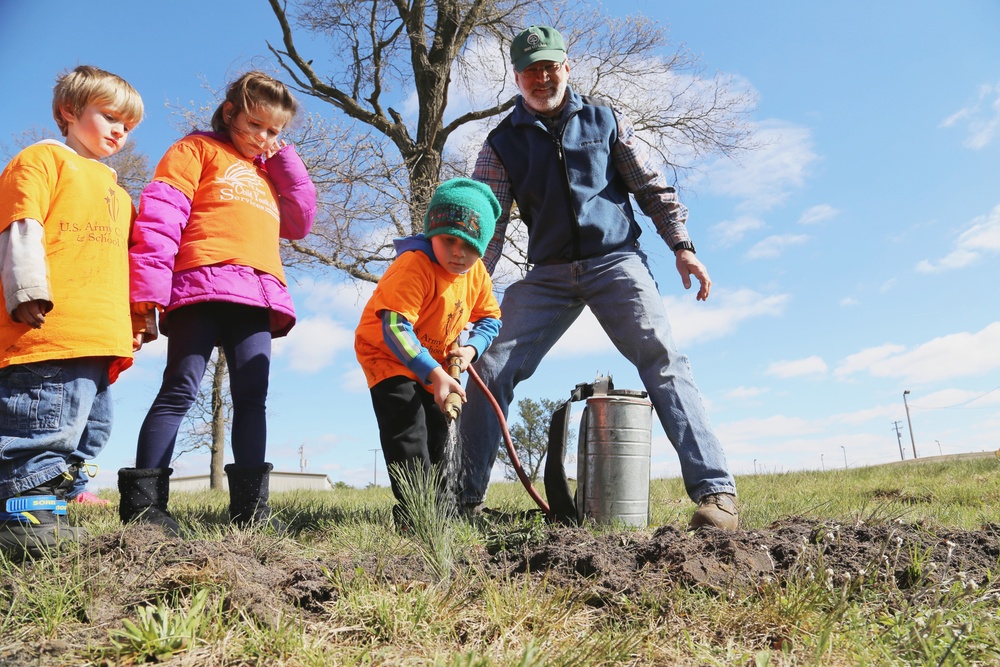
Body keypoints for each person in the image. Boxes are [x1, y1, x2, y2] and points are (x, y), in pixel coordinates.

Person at [460, 25, 739, 530]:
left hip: (616, 261)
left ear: (566, 67)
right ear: (517, 77)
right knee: (489, 365)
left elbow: (651, 187)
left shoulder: (605, 120)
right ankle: (461, 503)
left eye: (550, 67)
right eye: (530, 71)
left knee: (661, 357)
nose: (541, 78)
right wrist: (464, 291)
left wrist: (682, 247)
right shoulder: (501, 143)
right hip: (546, 274)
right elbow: (486, 221)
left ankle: (716, 494)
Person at [118, 71, 316, 535]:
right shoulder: (196, 151)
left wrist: (284, 159)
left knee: (253, 395)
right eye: (255, 125)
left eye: (275, 131)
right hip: (199, 287)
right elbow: (162, 215)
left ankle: (250, 512)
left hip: (256, 294)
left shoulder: (269, 172)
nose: (264, 138)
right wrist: (147, 291)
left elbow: (301, 219)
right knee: (180, 388)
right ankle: (145, 508)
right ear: (230, 113)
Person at [0, 65, 147, 559]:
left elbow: (125, 265)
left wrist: (136, 318)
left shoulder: (119, 192)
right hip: (49, 328)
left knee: (89, 429)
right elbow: (21, 223)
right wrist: (26, 287)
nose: (119, 132)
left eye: (128, 126)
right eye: (109, 117)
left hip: (98, 333)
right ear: (68, 111)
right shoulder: (43, 160)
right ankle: (23, 517)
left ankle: (51, 508)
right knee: (44, 423)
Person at [355, 178, 502, 528]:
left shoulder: (476, 274)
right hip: (389, 357)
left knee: (440, 435)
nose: (457, 252)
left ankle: (446, 515)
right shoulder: (415, 266)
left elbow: (491, 319)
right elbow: (394, 328)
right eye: (448, 239)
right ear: (431, 231)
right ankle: (416, 515)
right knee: (409, 431)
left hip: (436, 365)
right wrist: (434, 374)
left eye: (469, 244)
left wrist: (469, 350)